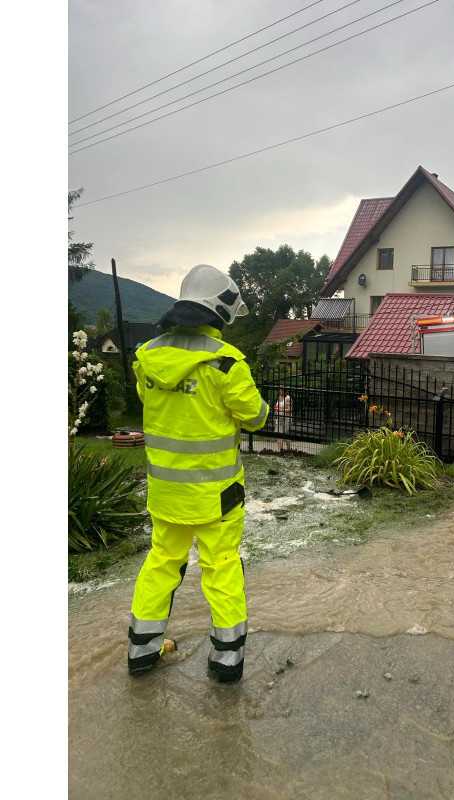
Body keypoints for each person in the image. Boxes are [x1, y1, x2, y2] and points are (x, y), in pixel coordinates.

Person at [127, 264, 269, 683]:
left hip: (165, 493)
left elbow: (149, 402)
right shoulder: (226, 363)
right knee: (221, 567)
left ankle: (142, 651)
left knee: (161, 563)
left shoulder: (147, 358)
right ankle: (226, 661)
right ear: (220, 311)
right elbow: (256, 417)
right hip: (216, 496)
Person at [273, 386, 293, 452]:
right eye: (279, 390)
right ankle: (280, 450)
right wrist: (276, 410)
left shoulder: (288, 398)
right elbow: (277, 406)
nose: (280, 391)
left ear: (284, 391)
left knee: (286, 434)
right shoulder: (279, 397)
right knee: (279, 433)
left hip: (286, 418)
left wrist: (280, 409)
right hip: (279, 417)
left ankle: (288, 449)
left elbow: (290, 409)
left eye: (281, 390)